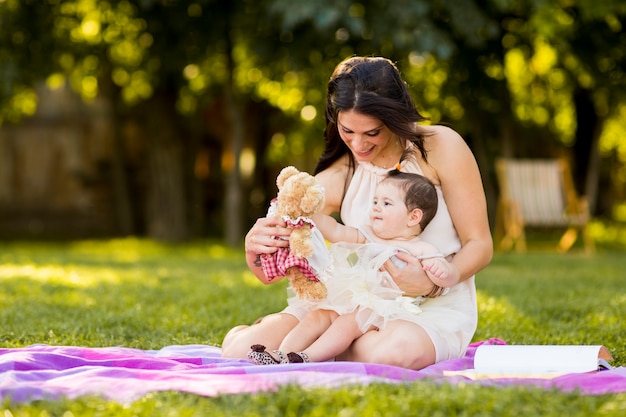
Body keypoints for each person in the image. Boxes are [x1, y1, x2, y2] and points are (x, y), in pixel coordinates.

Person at [221, 56, 493, 370]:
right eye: (347, 130)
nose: (359, 144)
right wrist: (257, 247)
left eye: (373, 133)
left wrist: (437, 281)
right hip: (352, 306)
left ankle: (320, 351)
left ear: (396, 116)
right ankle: (318, 347)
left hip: (428, 306)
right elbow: (287, 243)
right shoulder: (343, 172)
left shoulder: (441, 147)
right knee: (241, 352)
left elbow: (480, 244)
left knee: (396, 352)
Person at [247, 170, 456, 365]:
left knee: (348, 322)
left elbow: (443, 277)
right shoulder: (369, 235)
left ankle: (306, 356)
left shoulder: (420, 248)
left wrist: (441, 272)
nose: (376, 207)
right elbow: (336, 231)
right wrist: (308, 214)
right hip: (355, 298)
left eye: (386, 203)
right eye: (375, 201)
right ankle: (283, 353)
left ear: (413, 217)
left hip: (387, 309)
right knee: (319, 315)